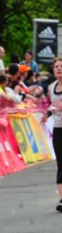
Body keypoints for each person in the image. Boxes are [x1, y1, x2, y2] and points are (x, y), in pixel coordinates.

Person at [46, 57, 62, 213]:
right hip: (58, 128)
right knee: (61, 164)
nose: (59, 69)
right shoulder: (51, 87)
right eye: (56, 66)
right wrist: (47, 114)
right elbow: (52, 105)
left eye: (61, 66)